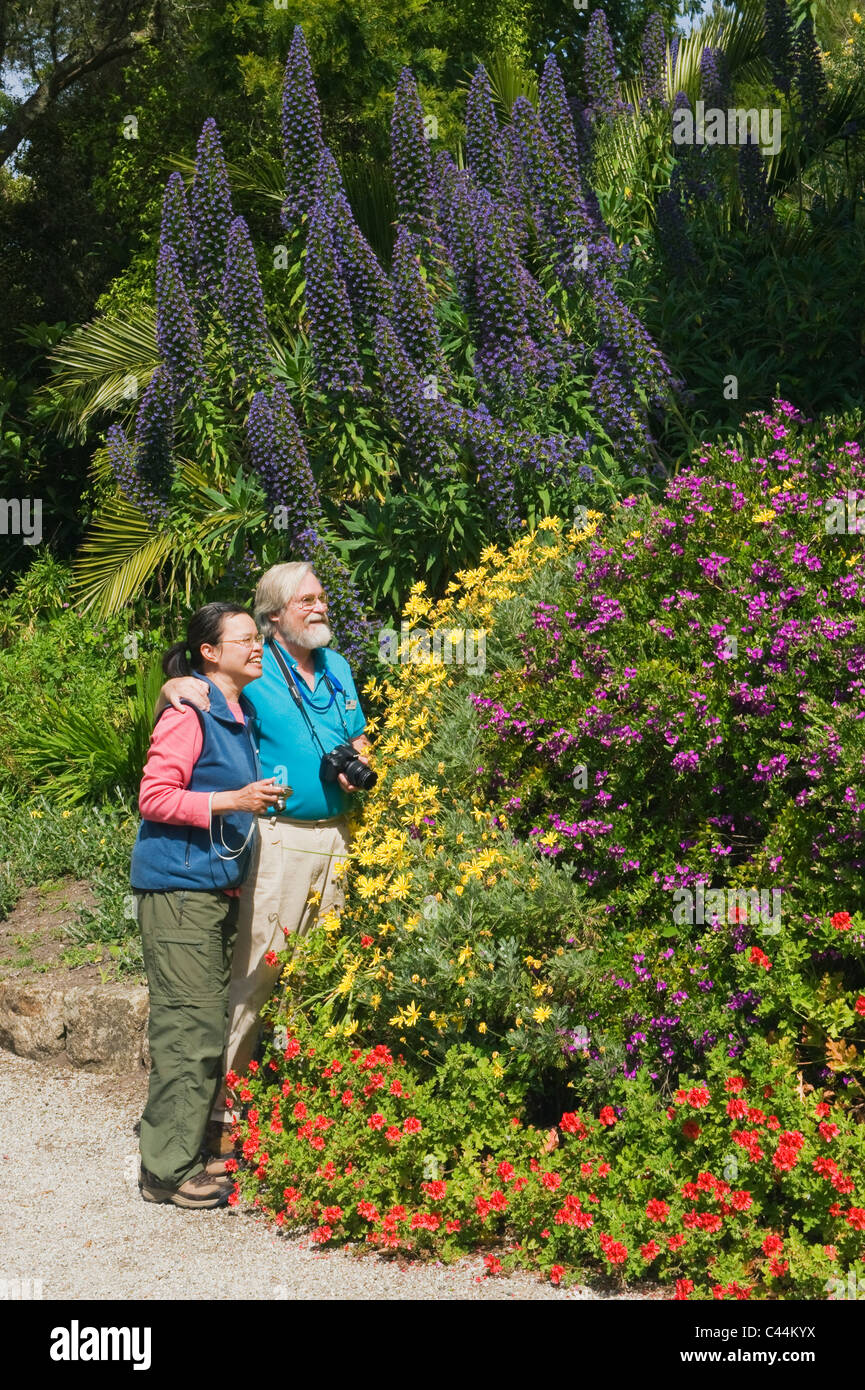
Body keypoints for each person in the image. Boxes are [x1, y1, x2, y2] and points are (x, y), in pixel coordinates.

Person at [156, 563, 370, 1160]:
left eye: (323, 598)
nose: (320, 607)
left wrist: (356, 761)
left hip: (337, 834)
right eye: (306, 601)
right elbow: (195, 689)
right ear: (274, 616)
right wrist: (172, 687)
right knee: (257, 973)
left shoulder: (339, 667)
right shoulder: (253, 669)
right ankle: (214, 1112)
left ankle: (290, 1107)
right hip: (277, 837)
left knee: (319, 974)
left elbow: (356, 733)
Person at [132, 602, 286, 1208]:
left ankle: (181, 1153)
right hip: (178, 890)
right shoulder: (189, 711)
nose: (257, 647)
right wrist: (233, 800)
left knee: (200, 1023)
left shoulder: (236, 710)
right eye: (244, 639)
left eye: (258, 638)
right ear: (209, 652)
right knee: (187, 1027)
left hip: (209, 890)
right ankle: (166, 1172)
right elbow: (155, 797)